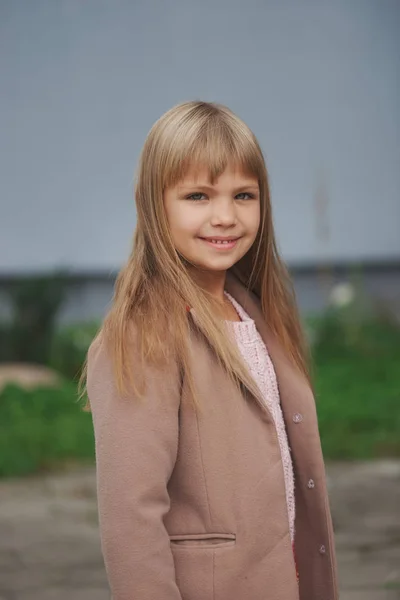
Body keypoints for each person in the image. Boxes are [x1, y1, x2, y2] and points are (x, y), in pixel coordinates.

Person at [80, 100, 339, 600]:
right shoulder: (144, 334)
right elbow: (131, 517)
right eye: (197, 195)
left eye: (244, 195)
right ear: (154, 205)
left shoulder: (257, 316)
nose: (225, 216)